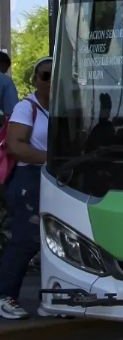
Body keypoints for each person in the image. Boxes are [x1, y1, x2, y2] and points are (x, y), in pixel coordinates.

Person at [0, 57, 52, 319]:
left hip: (54, 179)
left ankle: (53, 298)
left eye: (57, 75)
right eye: (45, 76)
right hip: (28, 179)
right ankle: (5, 295)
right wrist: (53, 158)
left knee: (54, 241)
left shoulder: (64, 108)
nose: (51, 81)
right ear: (35, 80)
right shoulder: (25, 107)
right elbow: (16, 146)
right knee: (25, 238)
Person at [0, 52, 18, 119]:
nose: (5, 72)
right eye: (5, 70)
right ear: (3, 64)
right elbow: (13, 111)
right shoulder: (6, 81)